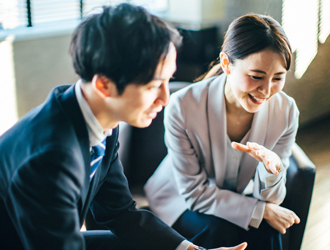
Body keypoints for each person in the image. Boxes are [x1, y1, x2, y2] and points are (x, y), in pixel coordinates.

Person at [0, 4, 247, 250]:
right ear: (103, 85)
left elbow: (119, 212)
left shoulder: (98, 116)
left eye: (167, 81)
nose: (165, 98)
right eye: (153, 86)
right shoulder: (50, 157)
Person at [144, 13, 301, 250]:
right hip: (180, 199)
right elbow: (194, 193)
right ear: (226, 64)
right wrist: (258, 211)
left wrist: (272, 171)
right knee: (219, 230)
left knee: (267, 228)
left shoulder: (286, 111)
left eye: (278, 78)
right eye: (256, 76)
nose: (267, 90)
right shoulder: (182, 106)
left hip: (234, 196)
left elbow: (273, 198)